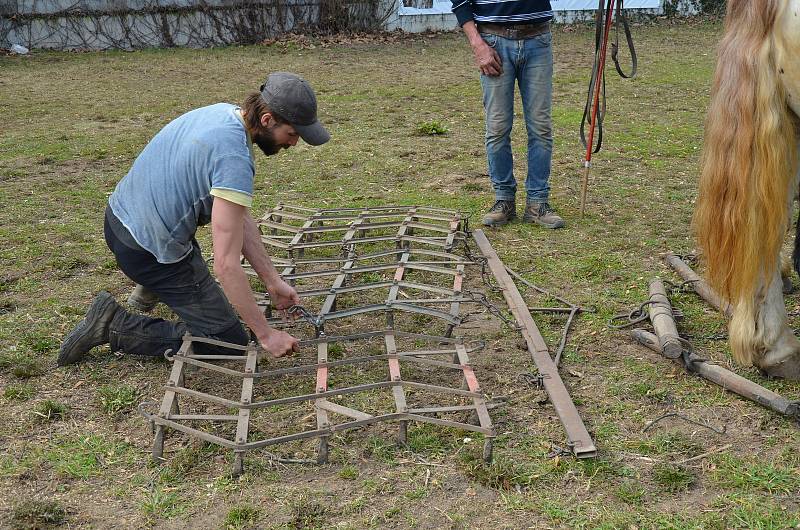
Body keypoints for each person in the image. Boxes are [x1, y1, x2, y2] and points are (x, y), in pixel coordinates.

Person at [57, 72, 329, 366]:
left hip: (120, 218)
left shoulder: (223, 114)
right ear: (267, 121)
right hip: (146, 251)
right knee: (227, 343)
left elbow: (237, 217)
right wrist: (265, 334)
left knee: (191, 231)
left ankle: (153, 285)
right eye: (292, 134)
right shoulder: (233, 160)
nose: (294, 143)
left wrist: (272, 282)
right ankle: (113, 324)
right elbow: (226, 266)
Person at [451, 0, 565, 229]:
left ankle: (537, 203)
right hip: (493, 41)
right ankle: (504, 201)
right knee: (497, 127)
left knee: (541, 127)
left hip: (538, 40)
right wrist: (477, 44)